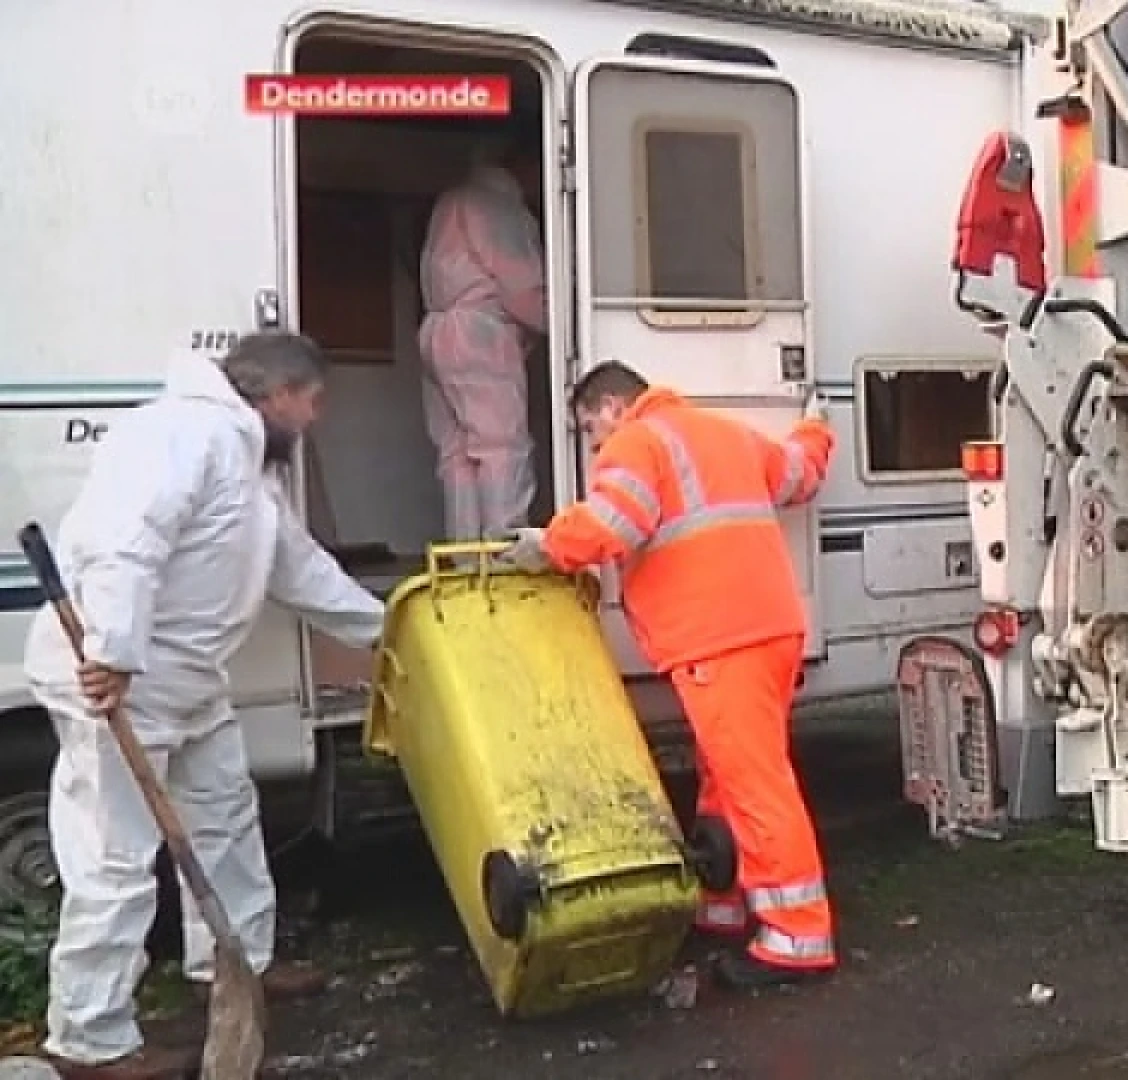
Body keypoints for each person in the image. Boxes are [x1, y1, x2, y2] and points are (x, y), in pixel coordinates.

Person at [23, 333, 389, 1080]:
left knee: (224, 817)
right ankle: (89, 1038)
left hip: (186, 681)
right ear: (280, 393)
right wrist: (116, 652)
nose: (314, 420)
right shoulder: (182, 431)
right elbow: (124, 542)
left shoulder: (248, 461)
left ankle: (234, 964)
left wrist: (391, 627)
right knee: (115, 855)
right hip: (118, 678)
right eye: (313, 403)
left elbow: (298, 567)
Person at [499, 362, 838, 989]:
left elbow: (612, 524)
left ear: (610, 406)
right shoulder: (724, 434)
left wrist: (544, 545)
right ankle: (727, 899)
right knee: (728, 777)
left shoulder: (639, 441)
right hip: (767, 630)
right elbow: (800, 473)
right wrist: (817, 427)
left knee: (754, 784)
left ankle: (797, 935)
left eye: (590, 431)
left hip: (718, 637)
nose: (596, 446)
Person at [418, 134, 548, 541]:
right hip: (480, 332)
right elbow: (521, 286)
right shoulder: (500, 207)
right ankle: (504, 547)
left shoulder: (450, 201)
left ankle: (464, 553)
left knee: (456, 451)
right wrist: (561, 327)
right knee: (500, 445)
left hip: (435, 328)